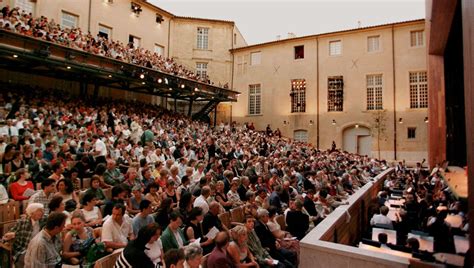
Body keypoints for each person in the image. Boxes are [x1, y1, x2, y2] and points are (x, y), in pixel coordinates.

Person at [2, 203, 46, 267]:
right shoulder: (22, 222)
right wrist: (12, 235)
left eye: (43, 210)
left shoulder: (44, 220)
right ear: (32, 213)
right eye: (40, 210)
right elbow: (7, 236)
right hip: (24, 248)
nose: (43, 212)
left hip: (40, 247)